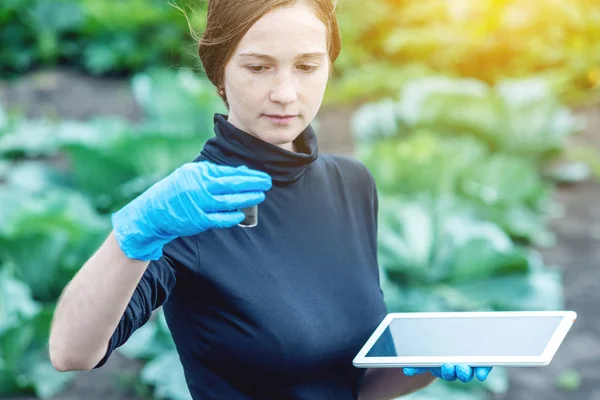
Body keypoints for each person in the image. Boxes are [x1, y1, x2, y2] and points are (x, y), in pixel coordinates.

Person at [48, 0, 492, 399]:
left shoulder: (351, 184)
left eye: (306, 66)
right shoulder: (188, 211)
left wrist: (422, 367)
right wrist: (135, 231)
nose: (285, 93)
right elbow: (72, 353)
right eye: (258, 67)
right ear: (219, 72)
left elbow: (351, 387)